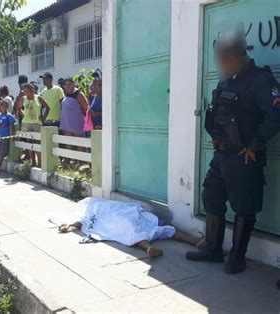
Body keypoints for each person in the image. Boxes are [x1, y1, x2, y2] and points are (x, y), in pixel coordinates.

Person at [185, 25, 280, 274]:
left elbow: (275, 114)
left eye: (221, 59)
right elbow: (219, 113)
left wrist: (255, 144)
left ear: (234, 57)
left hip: (244, 157)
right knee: (211, 196)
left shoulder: (261, 81)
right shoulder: (228, 81)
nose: (219, 64)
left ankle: (237, 257)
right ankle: (213, 249)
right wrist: (216, 136)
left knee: (244, 206)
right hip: (223, 155)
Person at [58, 198, 201, 257]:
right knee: (157, 224)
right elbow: (82, 221)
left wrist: (70, 226)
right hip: (125, 214)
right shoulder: (93, 208)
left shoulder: (94, 206)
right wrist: (69, 225)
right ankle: (196, 240)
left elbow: (82, 222)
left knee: (131, 230)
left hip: (123, 213)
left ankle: (147, 248)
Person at [16, 83, 50, 167]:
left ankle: (40, 162)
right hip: (26, 123)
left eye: (28, 91)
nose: (26, 93)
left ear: (32, 91)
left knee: (38, 142)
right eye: (25, 91)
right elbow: (18, 108)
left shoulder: (38, 98)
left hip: (36, 123)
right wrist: (23, 115)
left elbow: (48, 107)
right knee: (29, 142)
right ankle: (33, 162)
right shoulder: (23, 99)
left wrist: (44, 117)